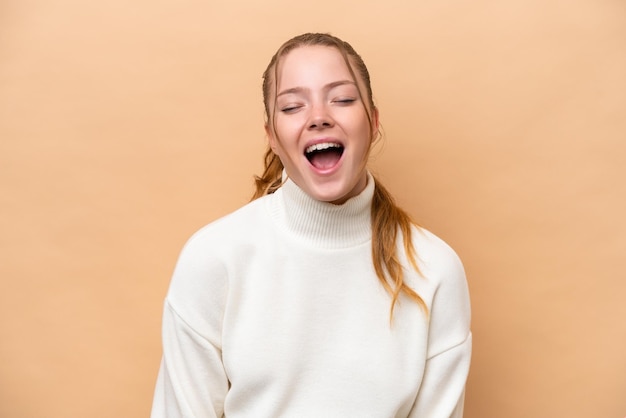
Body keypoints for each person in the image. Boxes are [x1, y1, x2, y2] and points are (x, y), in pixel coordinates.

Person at [151, 32, 471, 418]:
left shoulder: (435, 269)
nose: (319, 117)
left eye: (342, 99)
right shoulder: (214, 259)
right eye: (291, 107)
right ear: (272, 137)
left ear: (372, 121)